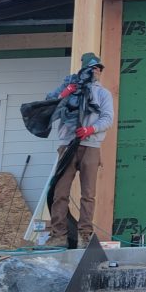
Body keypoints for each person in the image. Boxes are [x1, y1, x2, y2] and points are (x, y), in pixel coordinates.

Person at [45, 52, 114, 248]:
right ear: (84, 69)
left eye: (99, 68)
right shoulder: (69, 87)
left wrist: (90, 129)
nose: (97, 71)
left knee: (88, 194)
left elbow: (107, 118)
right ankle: (58, 235)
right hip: (68, 145)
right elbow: (49, 103)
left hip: (90, 146)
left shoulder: (103, 94)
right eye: (93, 68)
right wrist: (66, 92)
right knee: (60, 192)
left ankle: (85, 235)